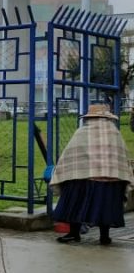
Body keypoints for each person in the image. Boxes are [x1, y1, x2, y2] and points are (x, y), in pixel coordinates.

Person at [51, 104, 133, 245]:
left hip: (83, 177)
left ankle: (73, 233)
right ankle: (104, 236)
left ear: (90, 118)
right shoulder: (115, 133)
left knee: (75, 202)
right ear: (107, 118)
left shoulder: (82, 132)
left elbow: (70, 155)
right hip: (110, 179)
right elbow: (122, 156)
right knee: (106, 207)